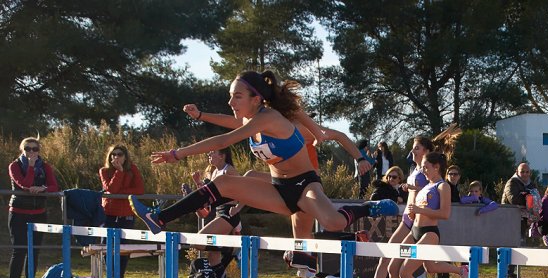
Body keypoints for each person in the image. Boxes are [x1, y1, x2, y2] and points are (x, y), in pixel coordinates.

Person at [129, 70, 398, 240]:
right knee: (223, 184)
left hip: (305, 184)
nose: (231, 102)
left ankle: (367, 207)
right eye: (230, 96)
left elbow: (224, 139)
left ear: (256, 99)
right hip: (279, 188)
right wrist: (200, 115)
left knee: (332, 222)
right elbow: (226, 123)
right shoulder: (252, 121)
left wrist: (178, 153)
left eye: (237, 97)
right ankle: (160, 218)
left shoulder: (268, 118)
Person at [352, 136, 466, 278]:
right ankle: (462, 270)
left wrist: (413, 193)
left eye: (417, 148)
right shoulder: (417, 170)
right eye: (413, 147)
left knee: (389, 259)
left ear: (427, 152)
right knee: (429, 266)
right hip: (410, 221)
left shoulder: (427, 174)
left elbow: (432, 197)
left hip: (414, 223)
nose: (412, 151)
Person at [375, 152, 455, 278]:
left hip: (429, 233)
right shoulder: (426, 186)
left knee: (405, 272)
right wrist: (413, 214)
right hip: (415, 231)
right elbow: (421, 207)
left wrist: (420, 211)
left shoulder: (443, 186)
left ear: (436, 167)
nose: (423, 170)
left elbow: (445, 214)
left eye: (426, 167)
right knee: (392, 268)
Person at [7, 138, 61, 278]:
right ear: (22, 149)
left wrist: (43, 188)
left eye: (34, 149)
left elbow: (54, 186)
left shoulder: (45, 167)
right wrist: (30, 167)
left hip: (38, 212)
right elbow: (24, 184)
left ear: (39, 150)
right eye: (27, 148)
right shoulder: (15, 166)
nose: (31, 152)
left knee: (34, 250)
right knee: (20, 249)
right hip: (18, 212)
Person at [189, 147, 243, 278]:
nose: (209, 154)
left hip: (228, 214)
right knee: (213, 257)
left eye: (212, 152)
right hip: (218, 213)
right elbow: (208, 201)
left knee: (198, 241)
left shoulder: (229, 171)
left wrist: (237, 209)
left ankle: (233, 250)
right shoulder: (213, 173)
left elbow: (247, 192)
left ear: (222, 156)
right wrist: (198, 183)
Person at [100, 144, 145, 278]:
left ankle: (118, 277)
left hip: (126, 215)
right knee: (105, 246)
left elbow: (140, 190)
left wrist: (122, 193)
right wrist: (118, 172)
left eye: (120, 154)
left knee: (124, 247)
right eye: (113, 154)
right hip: (109, 214)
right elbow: (111, 189)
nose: (116, 157)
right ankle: (111, 276)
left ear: (125, 157)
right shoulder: (104, 171)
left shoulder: (133, 170)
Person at [501, 162, 536, 278]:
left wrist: (531, 202)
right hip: (510, 220)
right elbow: (513, 199)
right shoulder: (512, 183)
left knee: (519, 246)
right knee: (511, 247)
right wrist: (527, 197)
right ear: (517, 171)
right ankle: (507, 274)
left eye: (527, 172)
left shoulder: (531, 184)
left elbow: (536, 200)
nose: (525, 174)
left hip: (523, 220)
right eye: (522, 172)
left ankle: (511, 274)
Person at [435, 164, 463, 278]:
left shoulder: (455, 188)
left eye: (455, 174)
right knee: (443, 250)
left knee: (448, 250)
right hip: (442, 222)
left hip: (451, 223)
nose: (452, 176)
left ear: (459, 176)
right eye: (450, 174)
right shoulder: (445, 187)